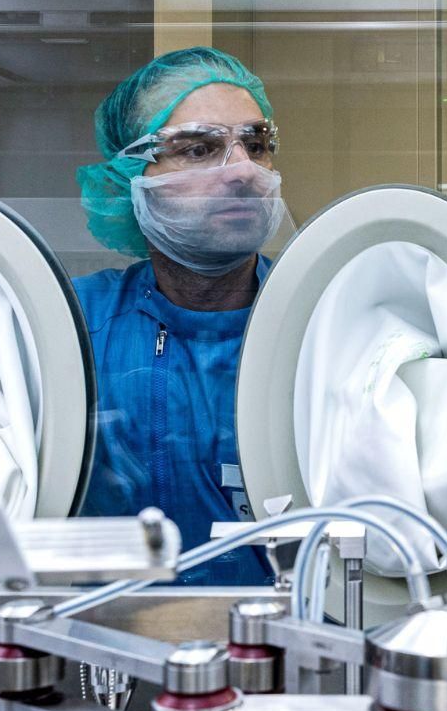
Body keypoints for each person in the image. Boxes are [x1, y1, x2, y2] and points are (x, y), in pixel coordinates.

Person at [72, 47, 288, 584]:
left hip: (297, 648)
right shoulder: (72, 326)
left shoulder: (318, 317)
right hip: (112, 647)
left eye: (255, 145)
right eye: (199, 148)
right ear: (131, 177)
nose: (243, 171)